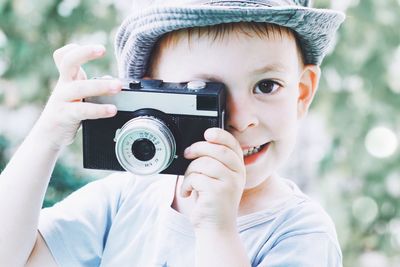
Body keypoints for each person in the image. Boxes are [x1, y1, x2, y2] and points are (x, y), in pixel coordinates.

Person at [0, 0, 346, 266]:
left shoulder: (301, 232)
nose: (241, 121)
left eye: (267, 85)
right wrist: (47, 137)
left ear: (301, 92)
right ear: (157, 97)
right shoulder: (129, 196)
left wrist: (216, 229)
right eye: (205, 91)